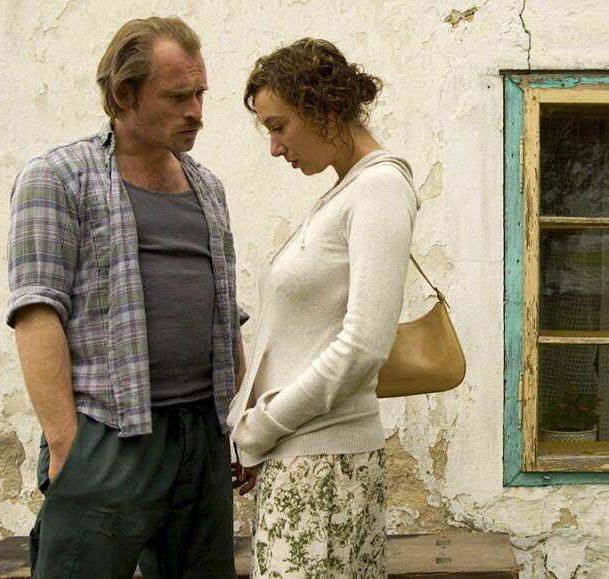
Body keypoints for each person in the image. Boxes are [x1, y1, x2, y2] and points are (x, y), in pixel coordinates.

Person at [7, 16, 250, 578]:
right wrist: (66, 442)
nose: (197, 110)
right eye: (178, 96)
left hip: (202, 437)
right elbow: (37, 312)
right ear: (125, 94)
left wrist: (235, 421)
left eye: (200, 93)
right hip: (109, 435)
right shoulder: (59, 178)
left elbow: (223, 307)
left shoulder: (206, 185)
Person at [229, 38, 419, 578]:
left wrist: (260, 428)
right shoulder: (345, 192)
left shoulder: (380, 188)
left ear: (325, 107)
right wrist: (245, 428)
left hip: (324, 469)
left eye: (278, 126)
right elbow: (296, 338)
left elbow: (363, 345)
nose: (274, 147)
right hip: (301, 463)